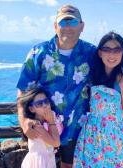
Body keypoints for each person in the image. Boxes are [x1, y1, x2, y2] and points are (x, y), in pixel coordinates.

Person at [16, 4, 96, 168]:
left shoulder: (92, 53)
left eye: (73, 23)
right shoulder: (38, 52)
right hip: (42, 128)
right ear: (55, 26)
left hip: (76, 128)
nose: (68, 27)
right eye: (63, 23)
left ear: (82, 26)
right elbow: (23, 90)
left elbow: (112, 70)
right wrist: (24, 121)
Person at [73, 31, 123, 167]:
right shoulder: (91, 77)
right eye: (107, 49)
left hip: (119, 141)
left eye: (117, 50)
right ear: (100, 53)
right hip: (93, 137)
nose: (112, 54)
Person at [20, 86, 62, 168]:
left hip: (47, 160)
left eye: (46, 101)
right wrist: (51, 121)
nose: (45, 105)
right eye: (39, 104)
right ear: (32, 109)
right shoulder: (36, 125)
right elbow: (56, 143)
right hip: (39, 163)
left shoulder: (45, 122)